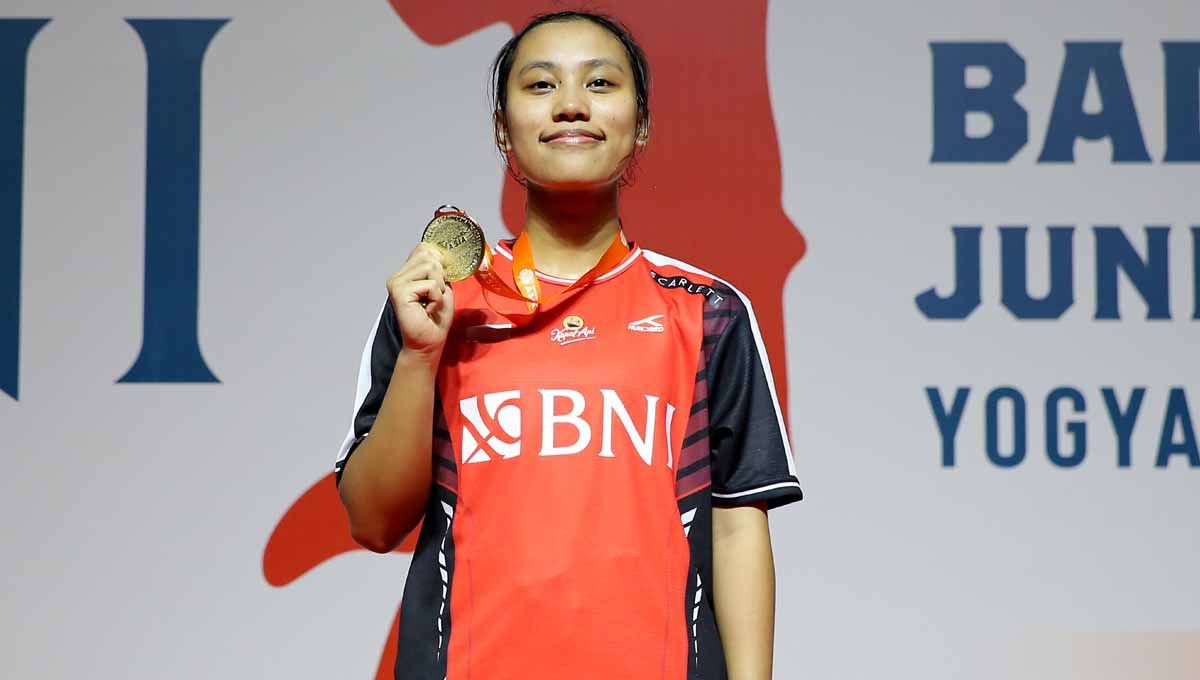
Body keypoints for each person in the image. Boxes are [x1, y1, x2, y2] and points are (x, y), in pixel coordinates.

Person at [334, 10, 802, 680]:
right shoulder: (438, 303)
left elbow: (736, 526)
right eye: (541, 86)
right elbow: (374, 522)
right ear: (503, 126)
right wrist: (418, 355)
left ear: (641, 125)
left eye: (602, 84)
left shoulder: (707, 310)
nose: (572, 106)